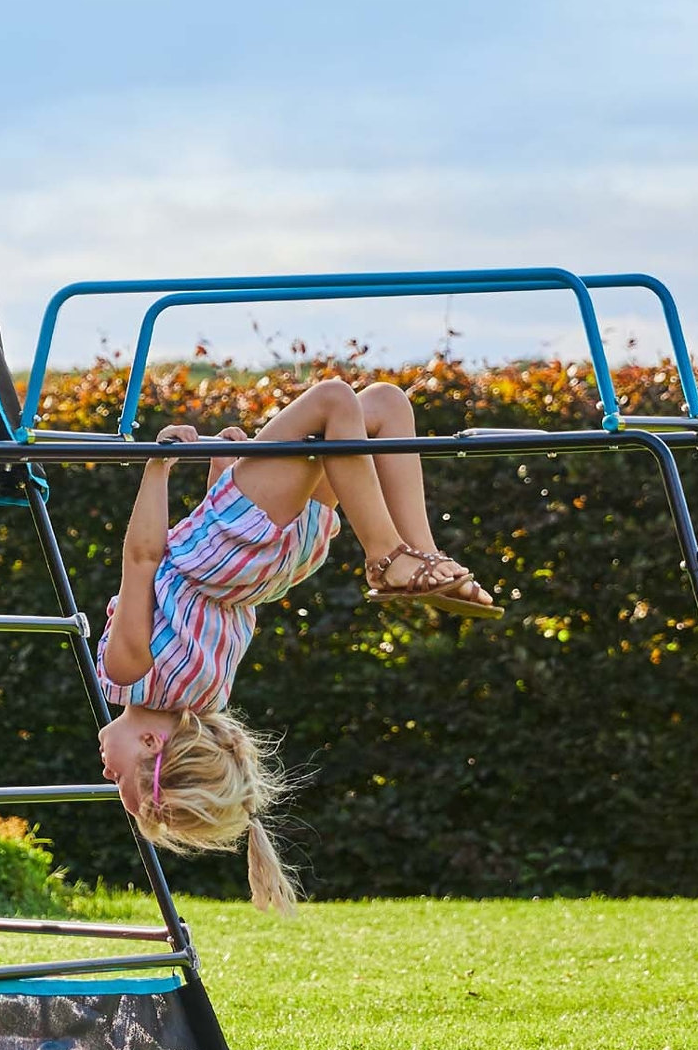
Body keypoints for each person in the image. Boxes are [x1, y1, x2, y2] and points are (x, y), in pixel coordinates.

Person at [96, 376, 503, 913]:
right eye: (119, 779)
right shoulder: (127, 674)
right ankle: (391, 557)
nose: (104, 770)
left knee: (381, 406)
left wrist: (225, 475)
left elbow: (206, 607)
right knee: (334, 400)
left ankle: (423, 557)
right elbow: (146, 560)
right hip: (236, 543)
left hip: (272, 566)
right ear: (151, 747)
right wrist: (158, 465)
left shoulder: (206, 697)